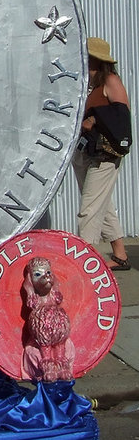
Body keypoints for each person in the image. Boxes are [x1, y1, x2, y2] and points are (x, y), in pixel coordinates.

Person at [72, 37, 131, 271]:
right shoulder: (92, 84)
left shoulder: (110, 80)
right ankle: (120, 255)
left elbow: (121, 116)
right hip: (89, 153)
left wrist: (94, 118)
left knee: (89, 210)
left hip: (105, 156)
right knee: (102, 205)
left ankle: (83, 265)